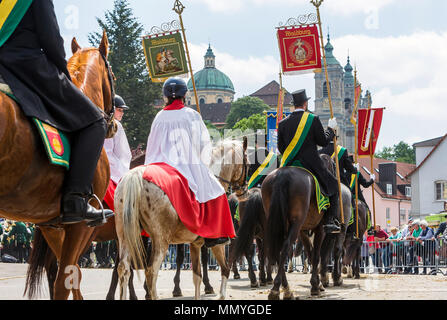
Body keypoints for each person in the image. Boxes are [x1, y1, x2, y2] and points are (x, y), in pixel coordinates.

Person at [0, 0, 113, 226]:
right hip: (28, 67)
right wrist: (63, 75)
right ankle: (75, 201)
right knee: (95, 122)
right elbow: (50, 38)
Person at [144, 77, 235, 248]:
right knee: (217, 191)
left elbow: (152, 145)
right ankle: (213, 235)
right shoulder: (192, 115)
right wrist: (204, 163)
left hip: (157, 166)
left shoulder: (159, 116)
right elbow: (203, 146)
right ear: (184, 95)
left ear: (165, 97)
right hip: (186, 165)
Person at [277, 89, 340, 234]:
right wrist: (330, 129)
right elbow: (323, 141)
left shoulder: (282, 123)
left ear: (294, 104)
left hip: (289, 164)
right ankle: (330, 221)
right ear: (305, 103)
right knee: (334, 185)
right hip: (311, 164)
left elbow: (281, 148)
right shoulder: (313, 119)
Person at [103, 95, 132, 211]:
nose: (122, 113)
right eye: (119, 110)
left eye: (123, 110)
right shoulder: (115, 125)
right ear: (112, 109)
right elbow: (122, 154)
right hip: (113, 172)